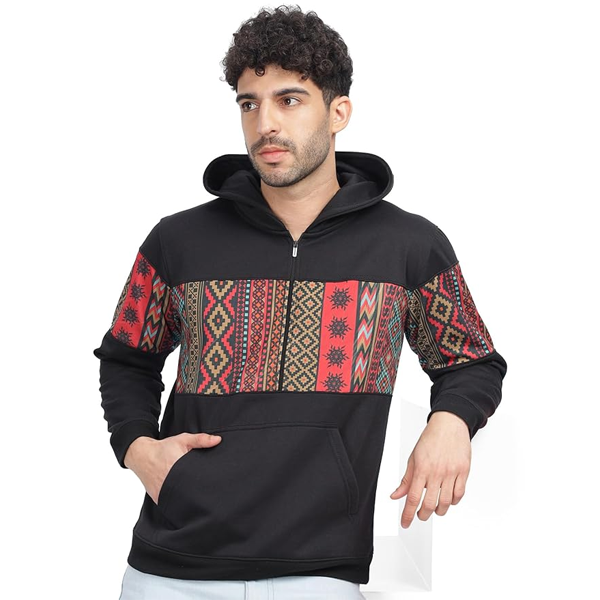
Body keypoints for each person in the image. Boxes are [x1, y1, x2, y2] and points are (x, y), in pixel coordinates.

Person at [93, 5, 508, 600]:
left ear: (338, 112)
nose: (265, 123)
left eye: (289, 100)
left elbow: (472, 361)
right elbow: (126, 359)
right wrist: (138, 449)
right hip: (171, 569)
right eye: (249, 103)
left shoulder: (408, 246)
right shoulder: (178, 240)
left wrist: (451, 421)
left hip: (320, 572)